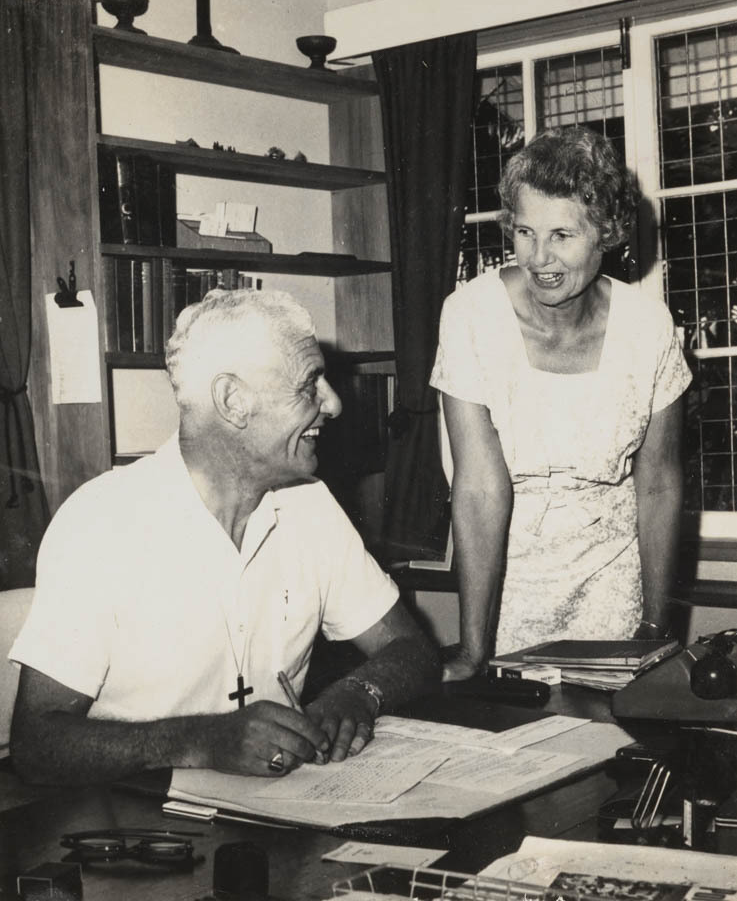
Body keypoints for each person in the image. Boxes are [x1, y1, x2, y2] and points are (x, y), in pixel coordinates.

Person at [10, 289, 439, 784]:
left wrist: (357, 693)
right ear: (233, 401)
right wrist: (201, 741)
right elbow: (36, 743)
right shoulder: (102, 523)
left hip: (281, 811)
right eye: (309, 385)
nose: (334, 403)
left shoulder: (310, 503)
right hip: (133, 827)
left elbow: (412, 650)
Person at [431, 126, 692, 679]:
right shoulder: (470, 316)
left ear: (608, 234)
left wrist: (654, 628)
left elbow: (660, 484)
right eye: (525, 231)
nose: (538, 257)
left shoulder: (649, 327)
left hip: (612, 588)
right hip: (502, 584)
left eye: (562, 235)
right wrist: (474, 648)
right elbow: (478, 488)